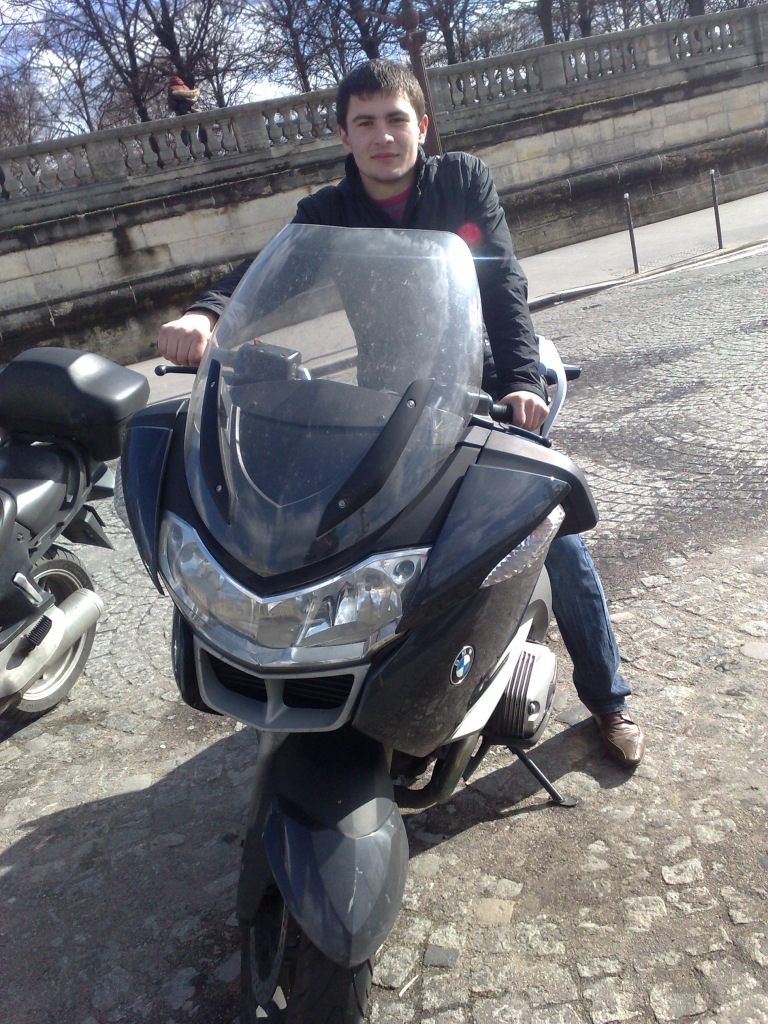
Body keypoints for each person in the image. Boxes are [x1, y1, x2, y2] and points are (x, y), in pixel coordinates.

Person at [157, 59, 646, 769]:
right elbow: (265, 274)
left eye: (396, 119)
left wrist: (519, 383)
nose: (383, 136)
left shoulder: (462, 182)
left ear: (422, 125)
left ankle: (609, 699)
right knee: (362, 540)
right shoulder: (328, 210)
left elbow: (503, 283)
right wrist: (205, 315)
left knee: (552, 535)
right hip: (390, 399)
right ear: (343, 135)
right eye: (366, 122)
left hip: (484, 386)